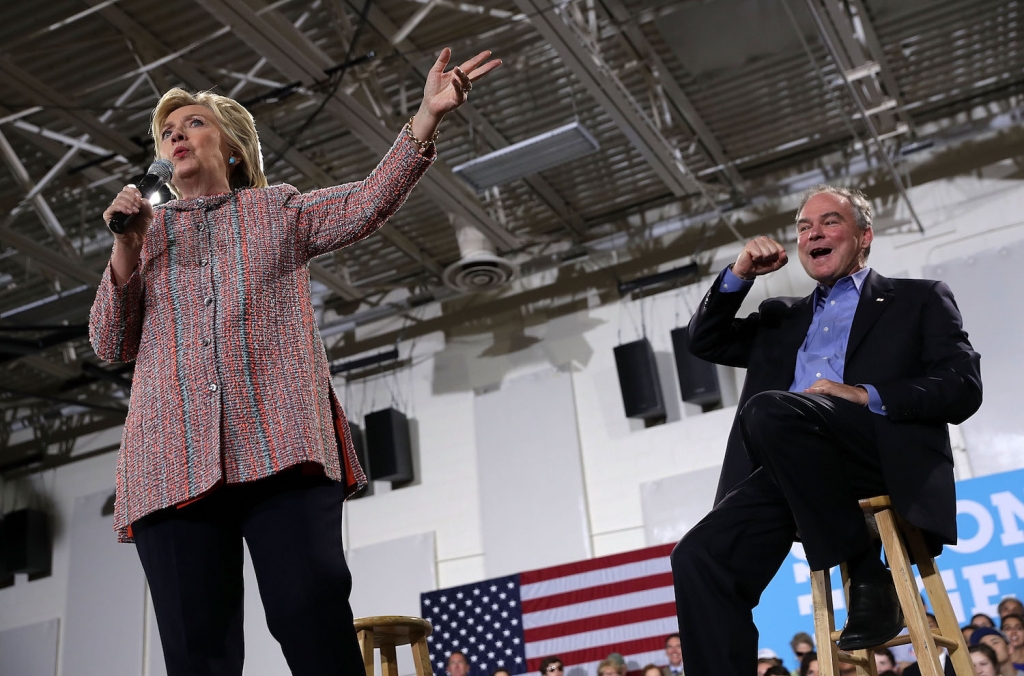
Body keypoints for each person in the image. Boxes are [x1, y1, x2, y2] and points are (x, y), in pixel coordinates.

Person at [89, 48, 501, 676]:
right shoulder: (144, 235)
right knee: (198, 653)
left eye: (194, 123)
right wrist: (125, 243)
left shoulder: (275, 210)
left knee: (311, 621)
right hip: (168, 462)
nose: (177, 134)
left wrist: (425, 117)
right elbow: (108, 343)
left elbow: (369, 201)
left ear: (232, 149)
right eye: (168, 131)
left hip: (278, 446)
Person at [669, 185, 983, 676]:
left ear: (864, 236)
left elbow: (963, 387)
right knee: (698, 559)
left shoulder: (918, 298)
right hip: (789, 465)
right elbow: (703, 339)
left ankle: (865, 571)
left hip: (873, 451)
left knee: (770, 409)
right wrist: (738, 275)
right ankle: (864, 566)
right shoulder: (780, 317)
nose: (813, 232)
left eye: (829, 221)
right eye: (803, 226)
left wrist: (865, 394)